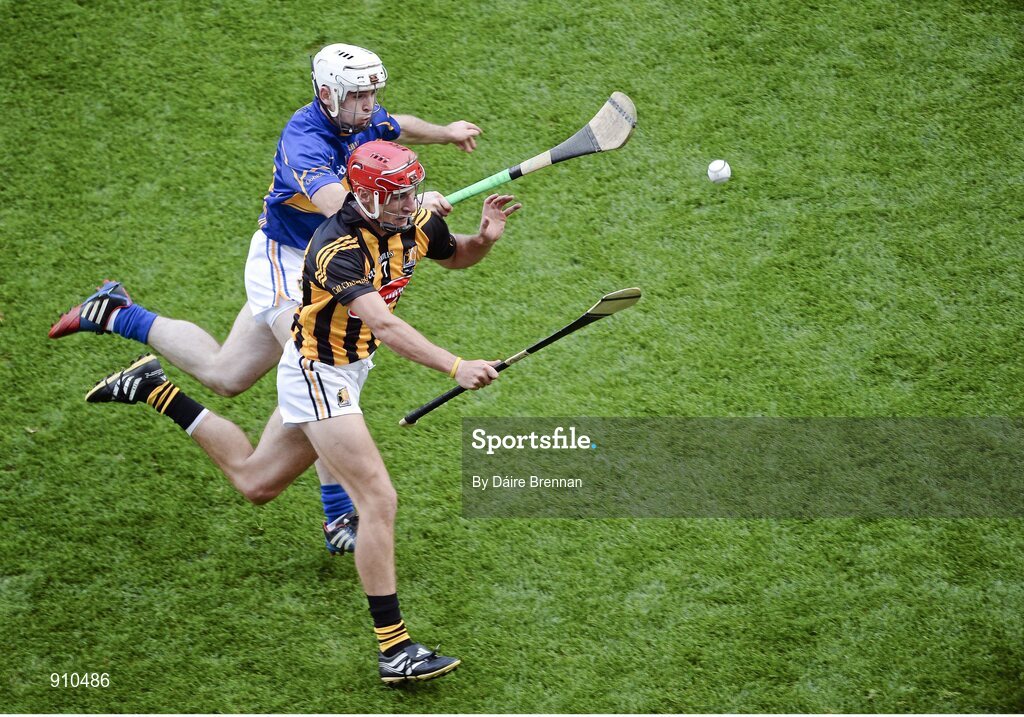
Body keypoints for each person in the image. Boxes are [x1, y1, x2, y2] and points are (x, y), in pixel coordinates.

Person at [85, 140, 521, 682]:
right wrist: (454, 365)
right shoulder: (334, 247)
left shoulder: (414, 218)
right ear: (363, 194)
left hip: (347, 370)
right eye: (396, 196)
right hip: (319, 375)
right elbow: (384, 324)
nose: (409, 204)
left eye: (412, 192)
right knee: (379, 499)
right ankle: (394, 649)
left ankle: (152, 388)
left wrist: (483, 238)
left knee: (255, 482)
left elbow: (454, 254)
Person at [49, 44, 483, 550]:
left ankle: (119, 314)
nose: (368, 105)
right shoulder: (306, 141)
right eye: (358, 95)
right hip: (290, 262)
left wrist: (445, 133)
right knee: (319, 363)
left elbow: (396, 125)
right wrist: (412, 208)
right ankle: (340, 513)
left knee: (225, 375)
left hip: (330, 258)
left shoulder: (357, 117)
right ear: (327, 93)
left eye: (372, 94)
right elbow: (340, 206)